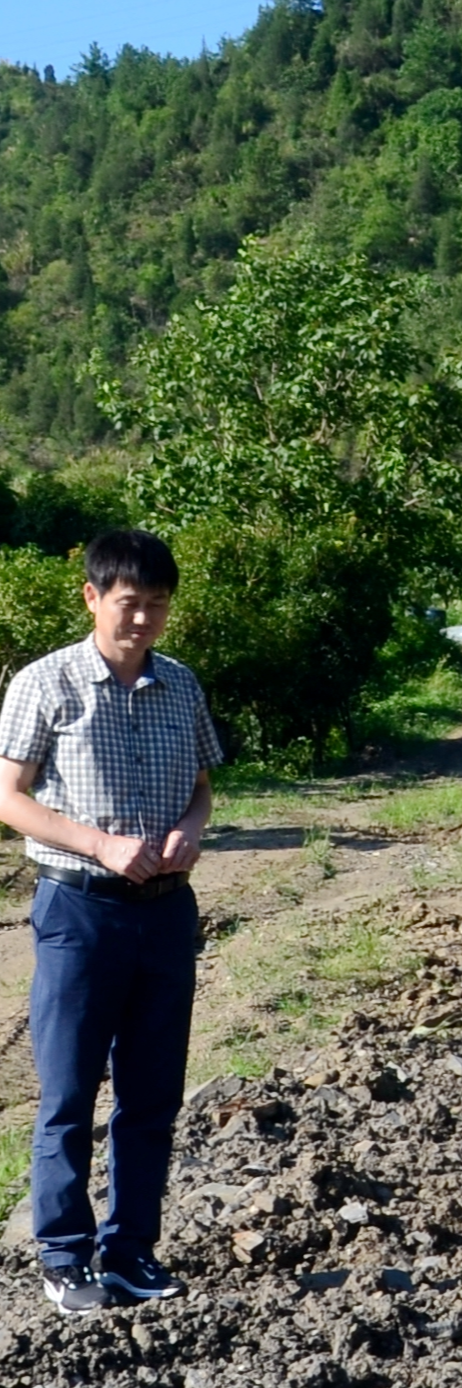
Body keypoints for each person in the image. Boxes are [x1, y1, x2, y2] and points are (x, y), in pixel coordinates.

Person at [0, 529, 221, 1317]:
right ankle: (64, 1256)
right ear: (92, 597)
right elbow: (9, 797)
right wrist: (98, 844)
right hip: (80, 908)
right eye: (130, 603)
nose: (143, 619)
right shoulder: (46, 683)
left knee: (152, 1093)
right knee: (68, 1091)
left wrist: (192, 828)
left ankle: (130, 1252)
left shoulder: (180, 685)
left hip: (165, 912)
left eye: (157, 604)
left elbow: (202, 787)